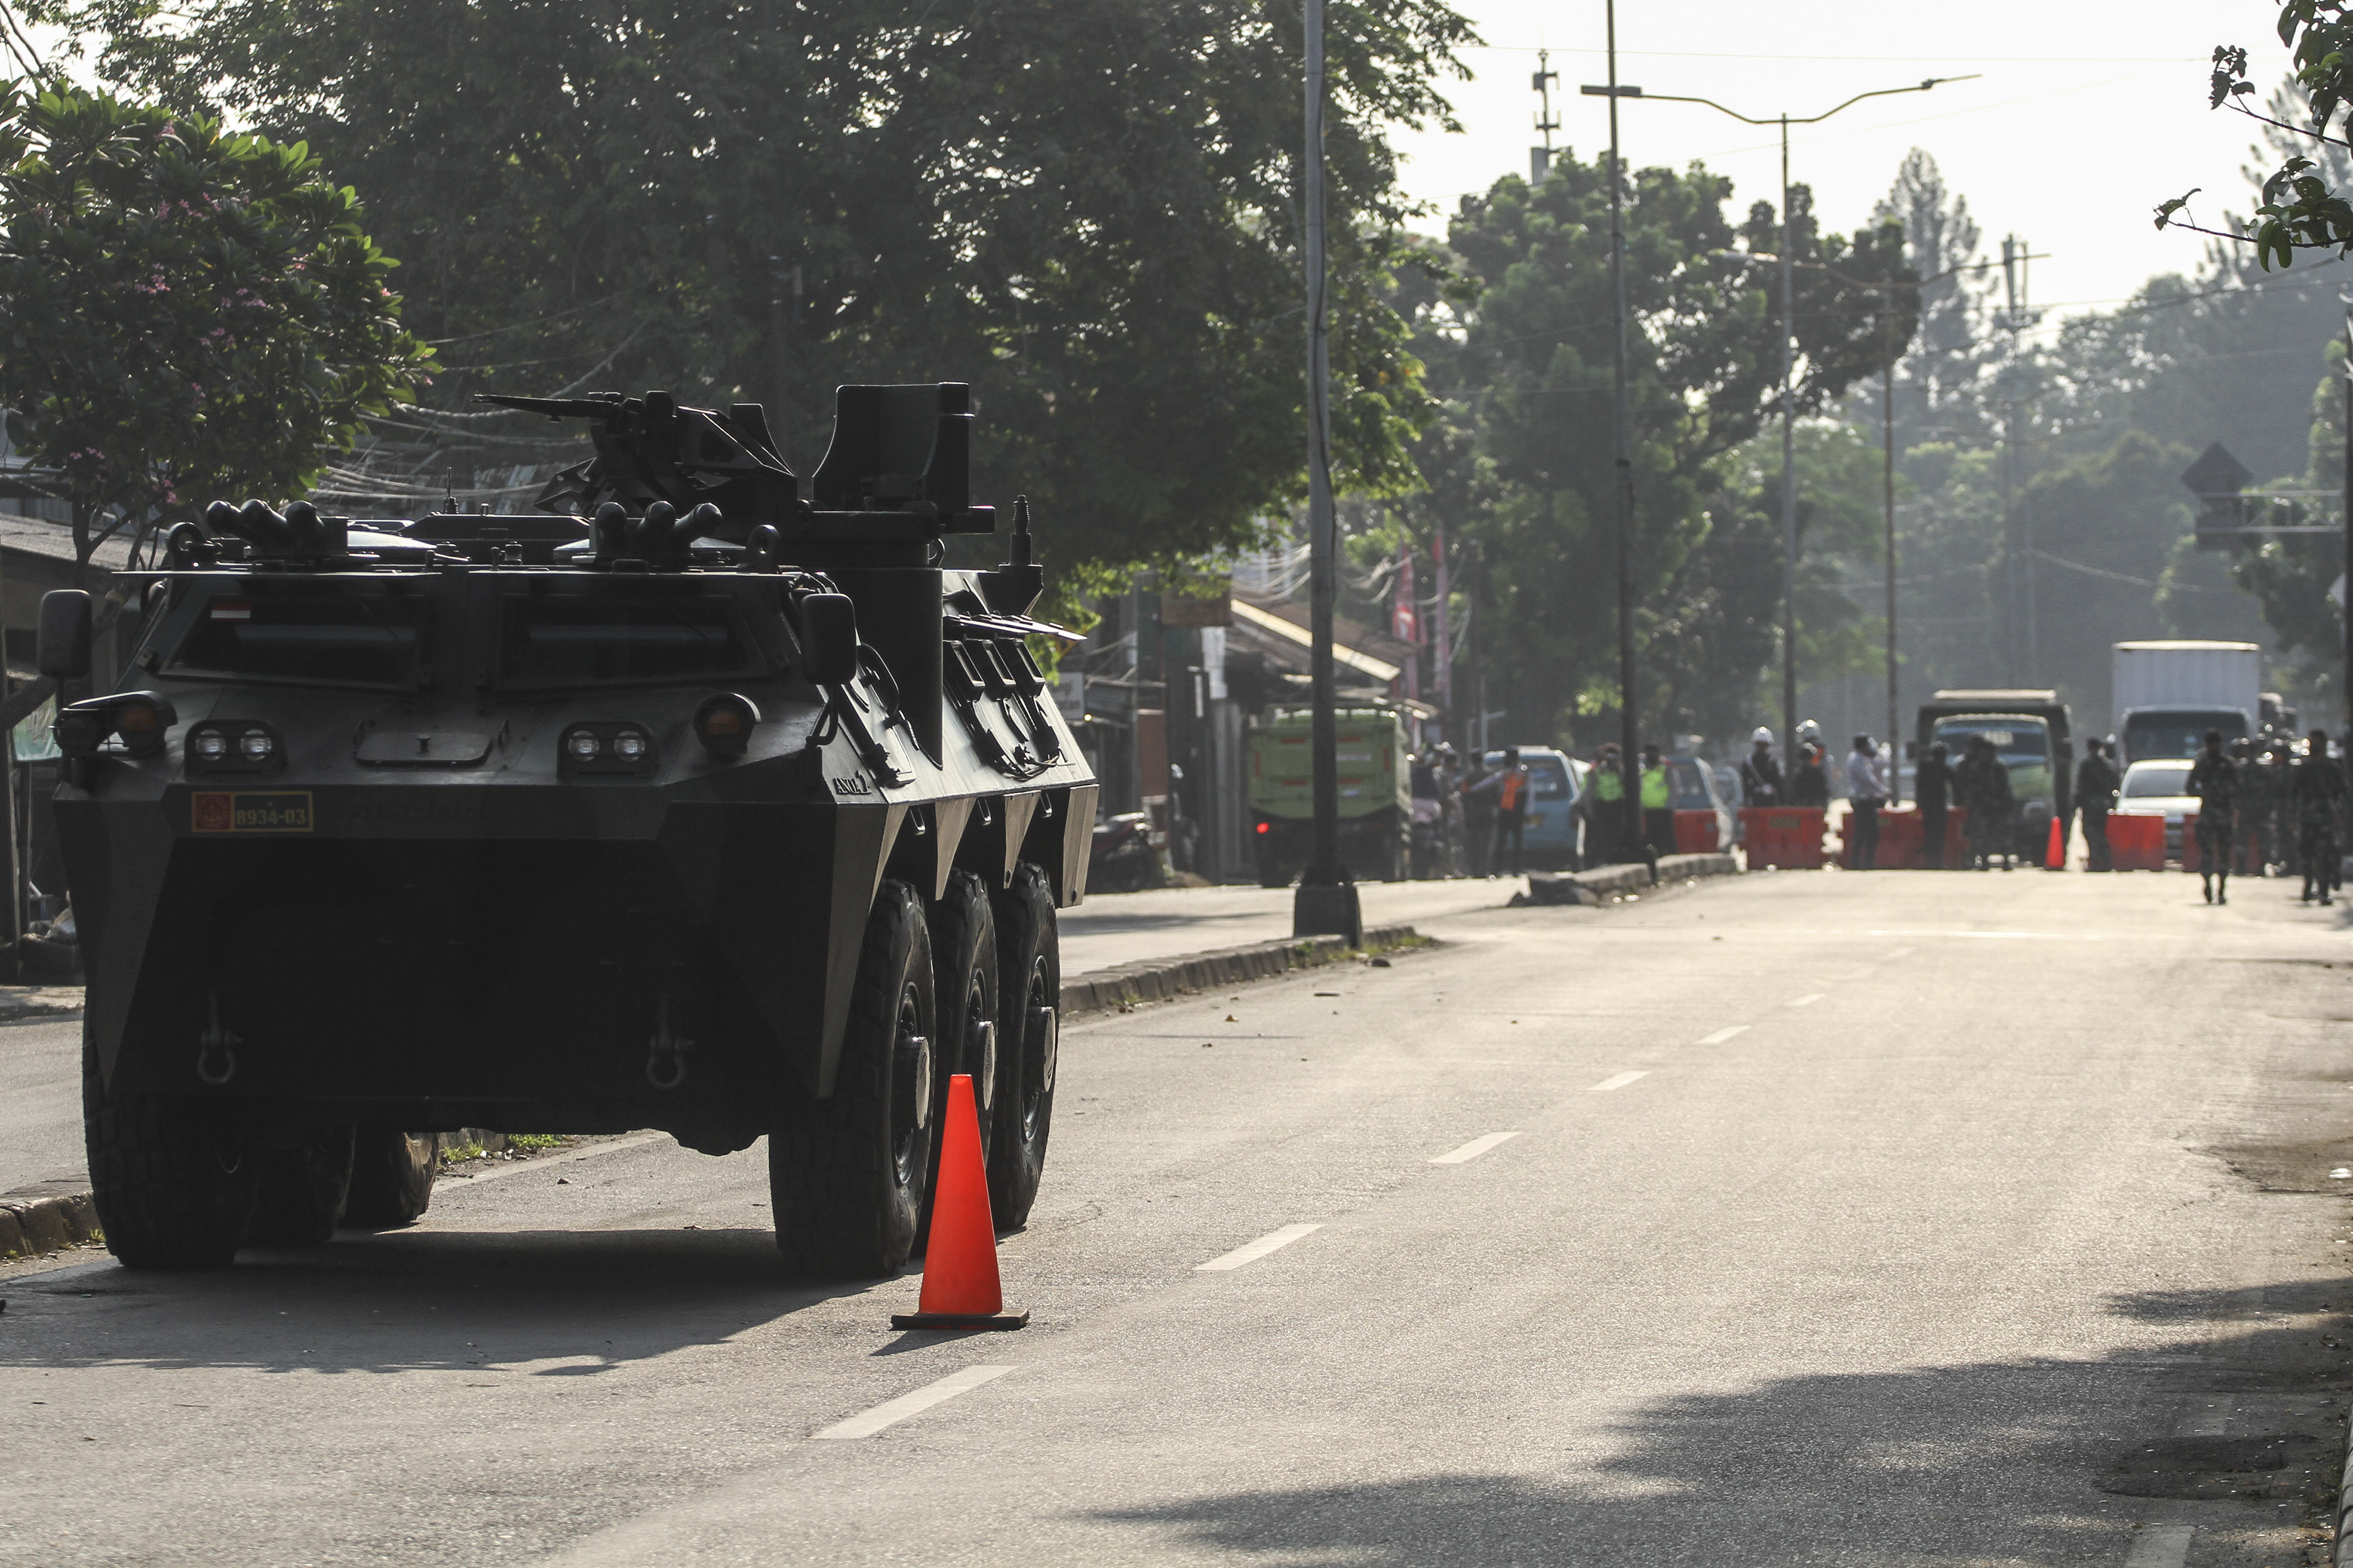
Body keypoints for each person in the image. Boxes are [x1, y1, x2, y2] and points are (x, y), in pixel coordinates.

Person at [2292, 728, 2346, 905]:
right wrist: (2294, 817)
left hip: (2325, 817)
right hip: (2307, 817)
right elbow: (2295, 793)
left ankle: (2324, 890)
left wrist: (2338, 813)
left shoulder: (2332, 767)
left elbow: (2342, 793)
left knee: (2325, 854)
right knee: (2306, 854)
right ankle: (2308, 885)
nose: (2313, 745)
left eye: (2316, 742)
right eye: (2311, 741)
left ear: (2323, 744)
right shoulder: (2304, 767)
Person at [2187, 728, 2237, 905]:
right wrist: (2205, 793)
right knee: (2207, 853)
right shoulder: (2203, 764)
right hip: (2208, 815)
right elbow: (2190, 787)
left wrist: (2225, 793)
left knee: (2224, 854)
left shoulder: (2228, 764)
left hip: (2224, 815)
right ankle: (2207, 884)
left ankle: (2222, 889)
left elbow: (2239, 788)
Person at [1955, 734, 2014, 870]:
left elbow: (2005, 788)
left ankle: (2005, 861)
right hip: (1981, 806)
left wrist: (2002, 803)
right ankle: (1984, 861)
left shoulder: (1999, 767)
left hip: (1999, 806)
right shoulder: (1975, 767)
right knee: (1982, 834)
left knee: (2002, 834)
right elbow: (1972, 787)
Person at [1478, 746, 1532, 877]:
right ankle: (1496, 870)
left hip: (1517, 810)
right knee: (1501, 841)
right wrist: (1472, 789)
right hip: (1504, 810)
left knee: (1517, 842)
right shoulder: (1505, 773)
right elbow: (1489, 782)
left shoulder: (1524, 772)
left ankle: (1516, 870)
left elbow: (1531, 792)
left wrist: (1529, 812)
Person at [2074, 737, 2120, 872]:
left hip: (2090, 804)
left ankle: (2095, 862)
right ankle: (2106, 862)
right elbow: (2114, 785)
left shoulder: (2087, 764)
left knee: (2090, 832)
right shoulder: (2106, 764)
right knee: (2101, 833)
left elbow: (2081, 786)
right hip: (2103, 804)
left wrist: (2076, 804)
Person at [1845, 734, 1886, 869]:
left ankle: (1866, 862)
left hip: (1866, 799)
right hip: (1863, 800)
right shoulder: (1857, 760)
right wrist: (1883, 790)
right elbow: (1867, 779)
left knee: (1868, 832)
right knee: (1866, 831)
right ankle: (1859, 863)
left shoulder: (1859, 759)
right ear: (1864, 746)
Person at [1915, 740, 1955, 869]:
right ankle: (1937, 861)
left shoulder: (1923, 765)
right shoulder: (1944, 768)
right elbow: (1956, 785)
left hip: (1927, 806)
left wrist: (1919, 802)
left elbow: (1918, 784)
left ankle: (1928, 861)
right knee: (1939, 834)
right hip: (1938, 806)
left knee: (1929, 833)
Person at [1640, 744, 1675, 856]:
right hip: (1648, 809)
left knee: (1667, 836)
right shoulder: (1642, 771)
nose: (1650, 756)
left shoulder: (1665, 769)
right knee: (1651, 836)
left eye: (1652, 753)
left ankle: (1671, 855)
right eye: (1648, 753)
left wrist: (1670, 806)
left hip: (1664, 809)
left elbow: (1674, 788)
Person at [1737, 726, 1783, 806]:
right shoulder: (1772, 760)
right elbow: (1778, 782)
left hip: (1755, 800)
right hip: (1769, 800)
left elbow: (1745, 783)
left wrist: (1746, 801)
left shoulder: (1749, 760)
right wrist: (1783, 802)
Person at [1789, 738, 1832, 808]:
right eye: (1804, 758)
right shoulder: (1815, 773)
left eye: (1807, 758)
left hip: (1812, 805)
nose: (1806, 761)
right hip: (1808, 806)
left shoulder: (1800, 774)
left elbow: (1823, 791)